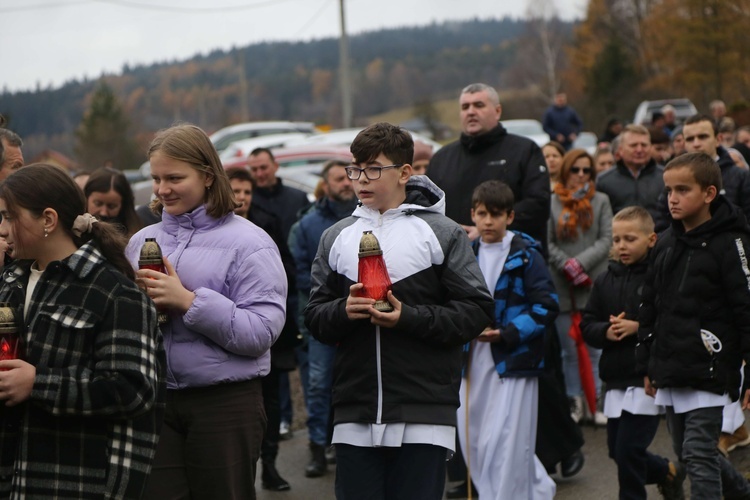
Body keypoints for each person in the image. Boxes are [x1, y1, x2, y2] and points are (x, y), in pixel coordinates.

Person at [304, 122, 494, 500]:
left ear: (405, 172)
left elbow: (476, 311)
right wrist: (344, 310)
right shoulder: (335, 236)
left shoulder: (441, 232)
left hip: (424, 408)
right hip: (354, 410)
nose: (361, 179)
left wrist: (408, 317)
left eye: (374, 168)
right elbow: (314, 317)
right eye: (355, 168)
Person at [125, 124, 287, 500]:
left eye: (175, 178)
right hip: (156, 401)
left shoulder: (250, 242)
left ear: (208, 176)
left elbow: (262, 332)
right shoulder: (139, 242)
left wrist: (187, 301)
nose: (163, 189)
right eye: (156, 178)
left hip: (225, 405)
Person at [0, 163, 165, 498]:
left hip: (72, 483)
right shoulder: (9, 285)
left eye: (8, 217)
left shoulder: (115, 293)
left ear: (48, 220)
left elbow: (133, 389)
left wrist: (38, 384)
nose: (2, 229)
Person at [636, 152, 750, 499]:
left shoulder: (731, 244)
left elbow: (746, 309)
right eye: (669, 190)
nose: (672, 198)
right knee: (690, 451)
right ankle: (741, 491)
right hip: (671, 367)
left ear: (709, 193)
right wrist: (646, 362)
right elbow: (649, 305)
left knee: (699, 454)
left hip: (711, 369)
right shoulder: (665, 243)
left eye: (683, 190)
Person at [458, 179, 558, 499]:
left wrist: (508, 333)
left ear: (510, 217)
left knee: (508, 438)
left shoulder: (527, 255)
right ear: (473, 214)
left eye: (497, 215)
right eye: (483, 214)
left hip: (515, 359)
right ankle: (520, 489)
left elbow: (546, 306)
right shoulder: (464, 254)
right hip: (472, 359)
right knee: (472, 436)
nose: (489, 222)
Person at [581, 206, 684, 499]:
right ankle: (666, 471)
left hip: (646, 378)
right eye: (616, 240)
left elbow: (671, 322)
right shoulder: (604, 280)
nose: (621, 246)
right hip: (614, 378)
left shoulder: (659, 276)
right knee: (617, 451)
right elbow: (588, 323)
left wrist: (636, 327)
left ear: (651, 240)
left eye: (630, 239)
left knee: (629, 449)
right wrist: (606, 331)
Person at [226, 166, 300, 491]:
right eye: (236, 191)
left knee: (270, 402)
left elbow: (288, 271)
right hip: (229, 328)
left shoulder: (267, 223)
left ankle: (269, 464)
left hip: (270, 331)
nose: (241, 198)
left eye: (246, 192)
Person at [288, 160, 357, 479]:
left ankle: (347, 447)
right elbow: (301, 272)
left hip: (361, 318)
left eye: (348, 178)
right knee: (318, 384)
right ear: (325, 185)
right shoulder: (307, 225)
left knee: (355, 383)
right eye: (338, 179)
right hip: (323, 318)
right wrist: (330, 300)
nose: (345, 183)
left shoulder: (366, 220)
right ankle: (317, 447)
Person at [428, 83, 550, 251]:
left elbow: (539, 205)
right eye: (465, 107)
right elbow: (428, 212)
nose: (471, 111)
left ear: (497, 111)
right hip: (454, 262)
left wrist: (486, 229)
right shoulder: (441, 159)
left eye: (479, 105)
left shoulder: (525, 151)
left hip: (513, 260)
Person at [548, 149, 613, 425]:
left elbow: (606, 238)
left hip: (593, 283)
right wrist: (567, 266)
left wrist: (580, 265)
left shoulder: (601, 201)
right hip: (563, 284)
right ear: (566, 170)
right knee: (568, 349)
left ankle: (596, 400)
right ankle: (574, 400)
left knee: (596, 347)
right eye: (575, 169)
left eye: (587, 170)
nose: (581, 175)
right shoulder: (551, 202)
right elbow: (547, 241)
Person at [596, 124, 664, 224]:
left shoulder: (665, 177)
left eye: (644, 145)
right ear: (620, 150)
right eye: (633, 145)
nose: (639, 150)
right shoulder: (604, 181)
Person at [84, 166, 142, 237]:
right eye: (98, 204)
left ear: (123, 206)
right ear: (86, 198)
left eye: (111, 206)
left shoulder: (136, 238)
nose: (103, 213)